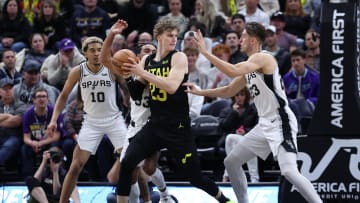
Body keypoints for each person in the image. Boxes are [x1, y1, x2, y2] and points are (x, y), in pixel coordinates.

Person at [184, 21, 322, 203]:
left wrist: (205, 52)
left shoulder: (264, 58)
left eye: (243, 36)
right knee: (231, 162)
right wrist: (201, 92)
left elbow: (232, 71)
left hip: (280, 121)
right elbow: (228, 91)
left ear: (254, 40)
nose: (240, 39)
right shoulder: (249, 65)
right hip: (264, 124)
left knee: (289, 171)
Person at [116, 19, 233, 203]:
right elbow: (136, 94)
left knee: (195, 177)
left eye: (175, 36)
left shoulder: (179, 57)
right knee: (127, 163)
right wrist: (128, 77)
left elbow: (171, 86)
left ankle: (223, 198)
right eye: (169, 35)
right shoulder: (147, 60)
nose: (173, 39)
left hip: (178, 128)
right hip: (155, 125)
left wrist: (143, 73)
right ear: (158, 37)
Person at [46, 36, 128, 203]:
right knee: (75, 166)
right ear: (85, 54)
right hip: (91, 122)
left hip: (114, 120)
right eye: (93, 50)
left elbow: (127, 91)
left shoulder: (112, 67)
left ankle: (145, 197)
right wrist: (54, 120)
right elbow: (62, 97)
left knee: (130, 163)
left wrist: (127, 97)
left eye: (100, 49)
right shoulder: (78, 71)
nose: (97, 53)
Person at [101, 24, 176, 203]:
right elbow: (105, 59)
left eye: (153, 50)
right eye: (145, 50)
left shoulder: (161, 71)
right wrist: (111, 34)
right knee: (128, 174)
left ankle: (165, 195)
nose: (149, 52)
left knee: (149, 169)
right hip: (134, 128)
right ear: (138, 55)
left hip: (154, 127)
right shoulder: (126, 71)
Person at [21, 87, 65, 178]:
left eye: (44, 96)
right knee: (24, 149)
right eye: (39, 97)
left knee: (55, 147)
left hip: (50, 141)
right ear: (34, 100)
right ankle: (28, 178)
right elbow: (26, 137)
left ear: (47, 99)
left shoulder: (54, 112)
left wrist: (40, 143)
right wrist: (33, 143)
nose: (42, 99)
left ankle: (57, 176)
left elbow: (57, 136)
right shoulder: (28, 114)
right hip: (35, 142)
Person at [0, 78, 22, 167]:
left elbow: (17, 121)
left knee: (9, 144)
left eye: (10, 89)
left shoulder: (20, 104)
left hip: (14, 136)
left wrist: (2, 117)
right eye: (5, 89)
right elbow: (13, 119)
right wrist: (8, 116)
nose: (8, 91)